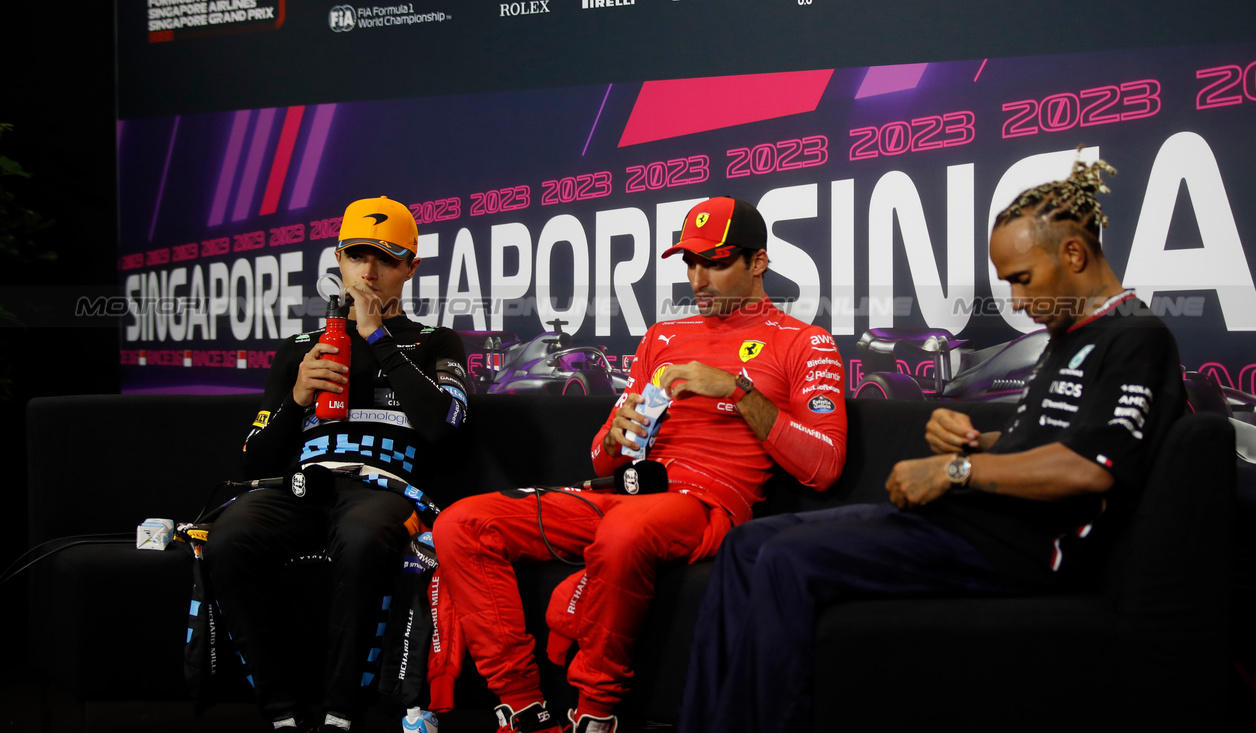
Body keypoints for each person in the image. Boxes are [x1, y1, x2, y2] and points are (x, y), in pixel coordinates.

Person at [679, 155, 1187, 733]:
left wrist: (953, 473)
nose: (1017, 303)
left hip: (1013, 549)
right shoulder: (1070, 335)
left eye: (1022, 279)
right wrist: (977, 439)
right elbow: (1051, 438)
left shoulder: (1135, 337)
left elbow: (1092, 469)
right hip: (966, 523)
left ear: (1073, 254)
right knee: (748, 544)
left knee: (786, 561)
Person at [431, 196, 848, 733]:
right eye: (690, 263)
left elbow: (826, 464)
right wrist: (619, 435)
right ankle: (524, 711)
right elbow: (602, 451)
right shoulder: (662, 338)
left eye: (716, 262)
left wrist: (738, 391)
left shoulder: (805, 342)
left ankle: (595, 714)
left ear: (758, 262)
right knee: (461, 523)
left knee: (624, 531)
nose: (699, 278)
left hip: (706, 506)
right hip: (624, 490)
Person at [205, 196, 469, 733]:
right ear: (338, 260)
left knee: (362, 534)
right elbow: (251, 459)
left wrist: (378, 339)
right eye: (356, 256)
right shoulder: (303, 346)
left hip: (384, 490)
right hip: (303, 485)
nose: (368, 272)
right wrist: (297, 398)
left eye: (386, 258)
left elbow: (445, 427)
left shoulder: (436, 341)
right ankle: (280, 712)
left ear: (411, 267)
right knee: (229, 536)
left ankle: (340, 713)